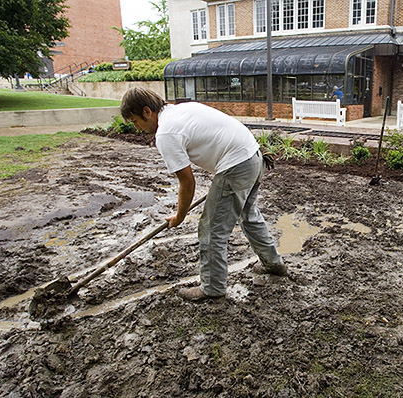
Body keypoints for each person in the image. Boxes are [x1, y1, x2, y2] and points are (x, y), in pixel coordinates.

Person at [120, 87, 286, 301]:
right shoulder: (181, 110)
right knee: (249, 215)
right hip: (254, 156)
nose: (138, 128)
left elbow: (188, 183)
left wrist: (179, 217)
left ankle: (212, 287)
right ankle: (274, 264)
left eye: (135, 121)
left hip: (236, 164)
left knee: (212, 229)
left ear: (146, 111)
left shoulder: (166, 132)